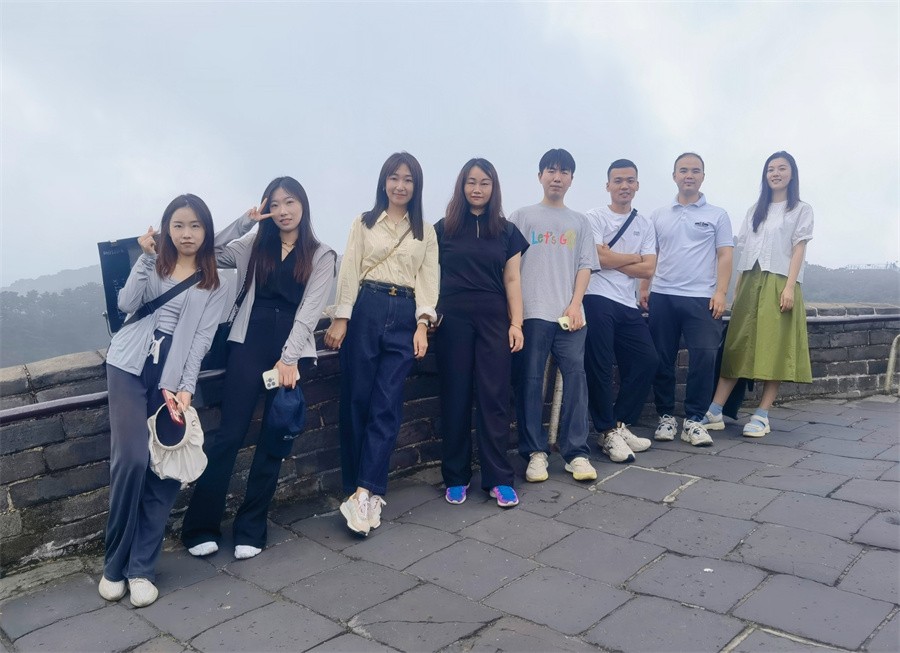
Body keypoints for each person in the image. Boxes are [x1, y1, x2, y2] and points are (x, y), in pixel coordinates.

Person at [181, 177, 335, 560]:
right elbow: (206, 251)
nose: (283, 211)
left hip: (290, 350)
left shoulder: (321, 255)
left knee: (272, 441)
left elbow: (310, 312)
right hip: (248, 342)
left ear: (303, 205)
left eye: (290, 202)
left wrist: (289, 358)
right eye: (275, 204)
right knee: (229, 435)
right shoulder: (253, 244)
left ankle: (251, 527)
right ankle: (200, 526)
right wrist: (245, 221)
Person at [100, 194, 227, 607]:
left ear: (206, 230)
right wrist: (143, 258)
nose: (187, 234)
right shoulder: (154, 264)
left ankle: (141, 568)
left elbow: (202, 340)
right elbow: (125, 304)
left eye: (195, 226)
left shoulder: (213, 282)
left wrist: (186, 386)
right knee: (132, 460)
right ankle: (114, 564)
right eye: (178, 225)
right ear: (166, 229)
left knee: (167, 469)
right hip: (128, 364)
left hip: (171, 377)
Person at [324, 152, 439, 536]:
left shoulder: (424, 231)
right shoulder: (364, 222)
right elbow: (350, 269)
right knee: (356, 400)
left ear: (416, 186)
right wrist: (342, 316)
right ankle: (356, 489)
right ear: (384, 181)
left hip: (404, 312)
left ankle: (366, 491)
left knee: (387, 405)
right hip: (367, 307)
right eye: (394, 178)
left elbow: (428, 280)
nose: (400, 186)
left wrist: (422, 325)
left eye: (408, 179)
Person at [434, 158, 528, 508]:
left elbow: (513, 279)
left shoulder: (506, 231)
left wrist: (516, 323)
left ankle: (498, 478)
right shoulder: (442, 229)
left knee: (494, 397)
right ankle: (456, 477)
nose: (477, 189)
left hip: (493, 319)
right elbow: (428, 277)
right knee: (455, 396)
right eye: (471, 182)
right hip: (452, 319)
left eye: (484, 182)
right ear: (462, 186)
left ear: (493, 188)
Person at [703, 151, 813, 436]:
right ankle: (715, 410)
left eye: (782, 168)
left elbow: (799, 248)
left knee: (773, 346)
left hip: (779, 280)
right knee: (737, 344)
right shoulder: (755, 210)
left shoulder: (800, 209)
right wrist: (737, 287)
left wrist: (789, 287)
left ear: (792, 173)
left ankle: (762, 414)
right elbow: (744, 249)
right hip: (750, 280)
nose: (776, 173)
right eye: (770, 169)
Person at [509, 148, 600, 484]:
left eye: (563, 172)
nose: (557, 177)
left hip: (570, 315)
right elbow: (510, 269)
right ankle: (535, 453)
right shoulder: (521, 217)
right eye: (551, 170)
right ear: (540, 176)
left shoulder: (580, 221)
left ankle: (576, 453)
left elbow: (585, 266)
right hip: (533, 312)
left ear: (572, 179)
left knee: (577, 379)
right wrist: (515, 315)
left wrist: (575, 304)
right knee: (530, 381)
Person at [640, 153, 734, 446]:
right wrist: (644, 287)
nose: (689, 175)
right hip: (663, 294)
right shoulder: (659, 215)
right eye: (683, 170)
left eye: (695, 171)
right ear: (674, 176)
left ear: (703, 176)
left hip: (701, 297)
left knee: (704, 356)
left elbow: (725, 254)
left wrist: (721, 292)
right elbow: (651, 253)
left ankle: (694, 419)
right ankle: (666, 416)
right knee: (662, 357)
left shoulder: (717, 215)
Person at [584, 159, 657, 463]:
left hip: (627, 303)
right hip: (596, 296)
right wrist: (633, 258)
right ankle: (605, 430)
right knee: (600, 365)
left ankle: (617, 424)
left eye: (629, 180)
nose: (624, 186)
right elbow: (596, 259)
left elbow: (649, 268)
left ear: (637, 185)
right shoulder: (594, 217)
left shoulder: (645, 224)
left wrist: (612, 257)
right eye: (618, 181)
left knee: (647, 360)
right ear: (608, 185)